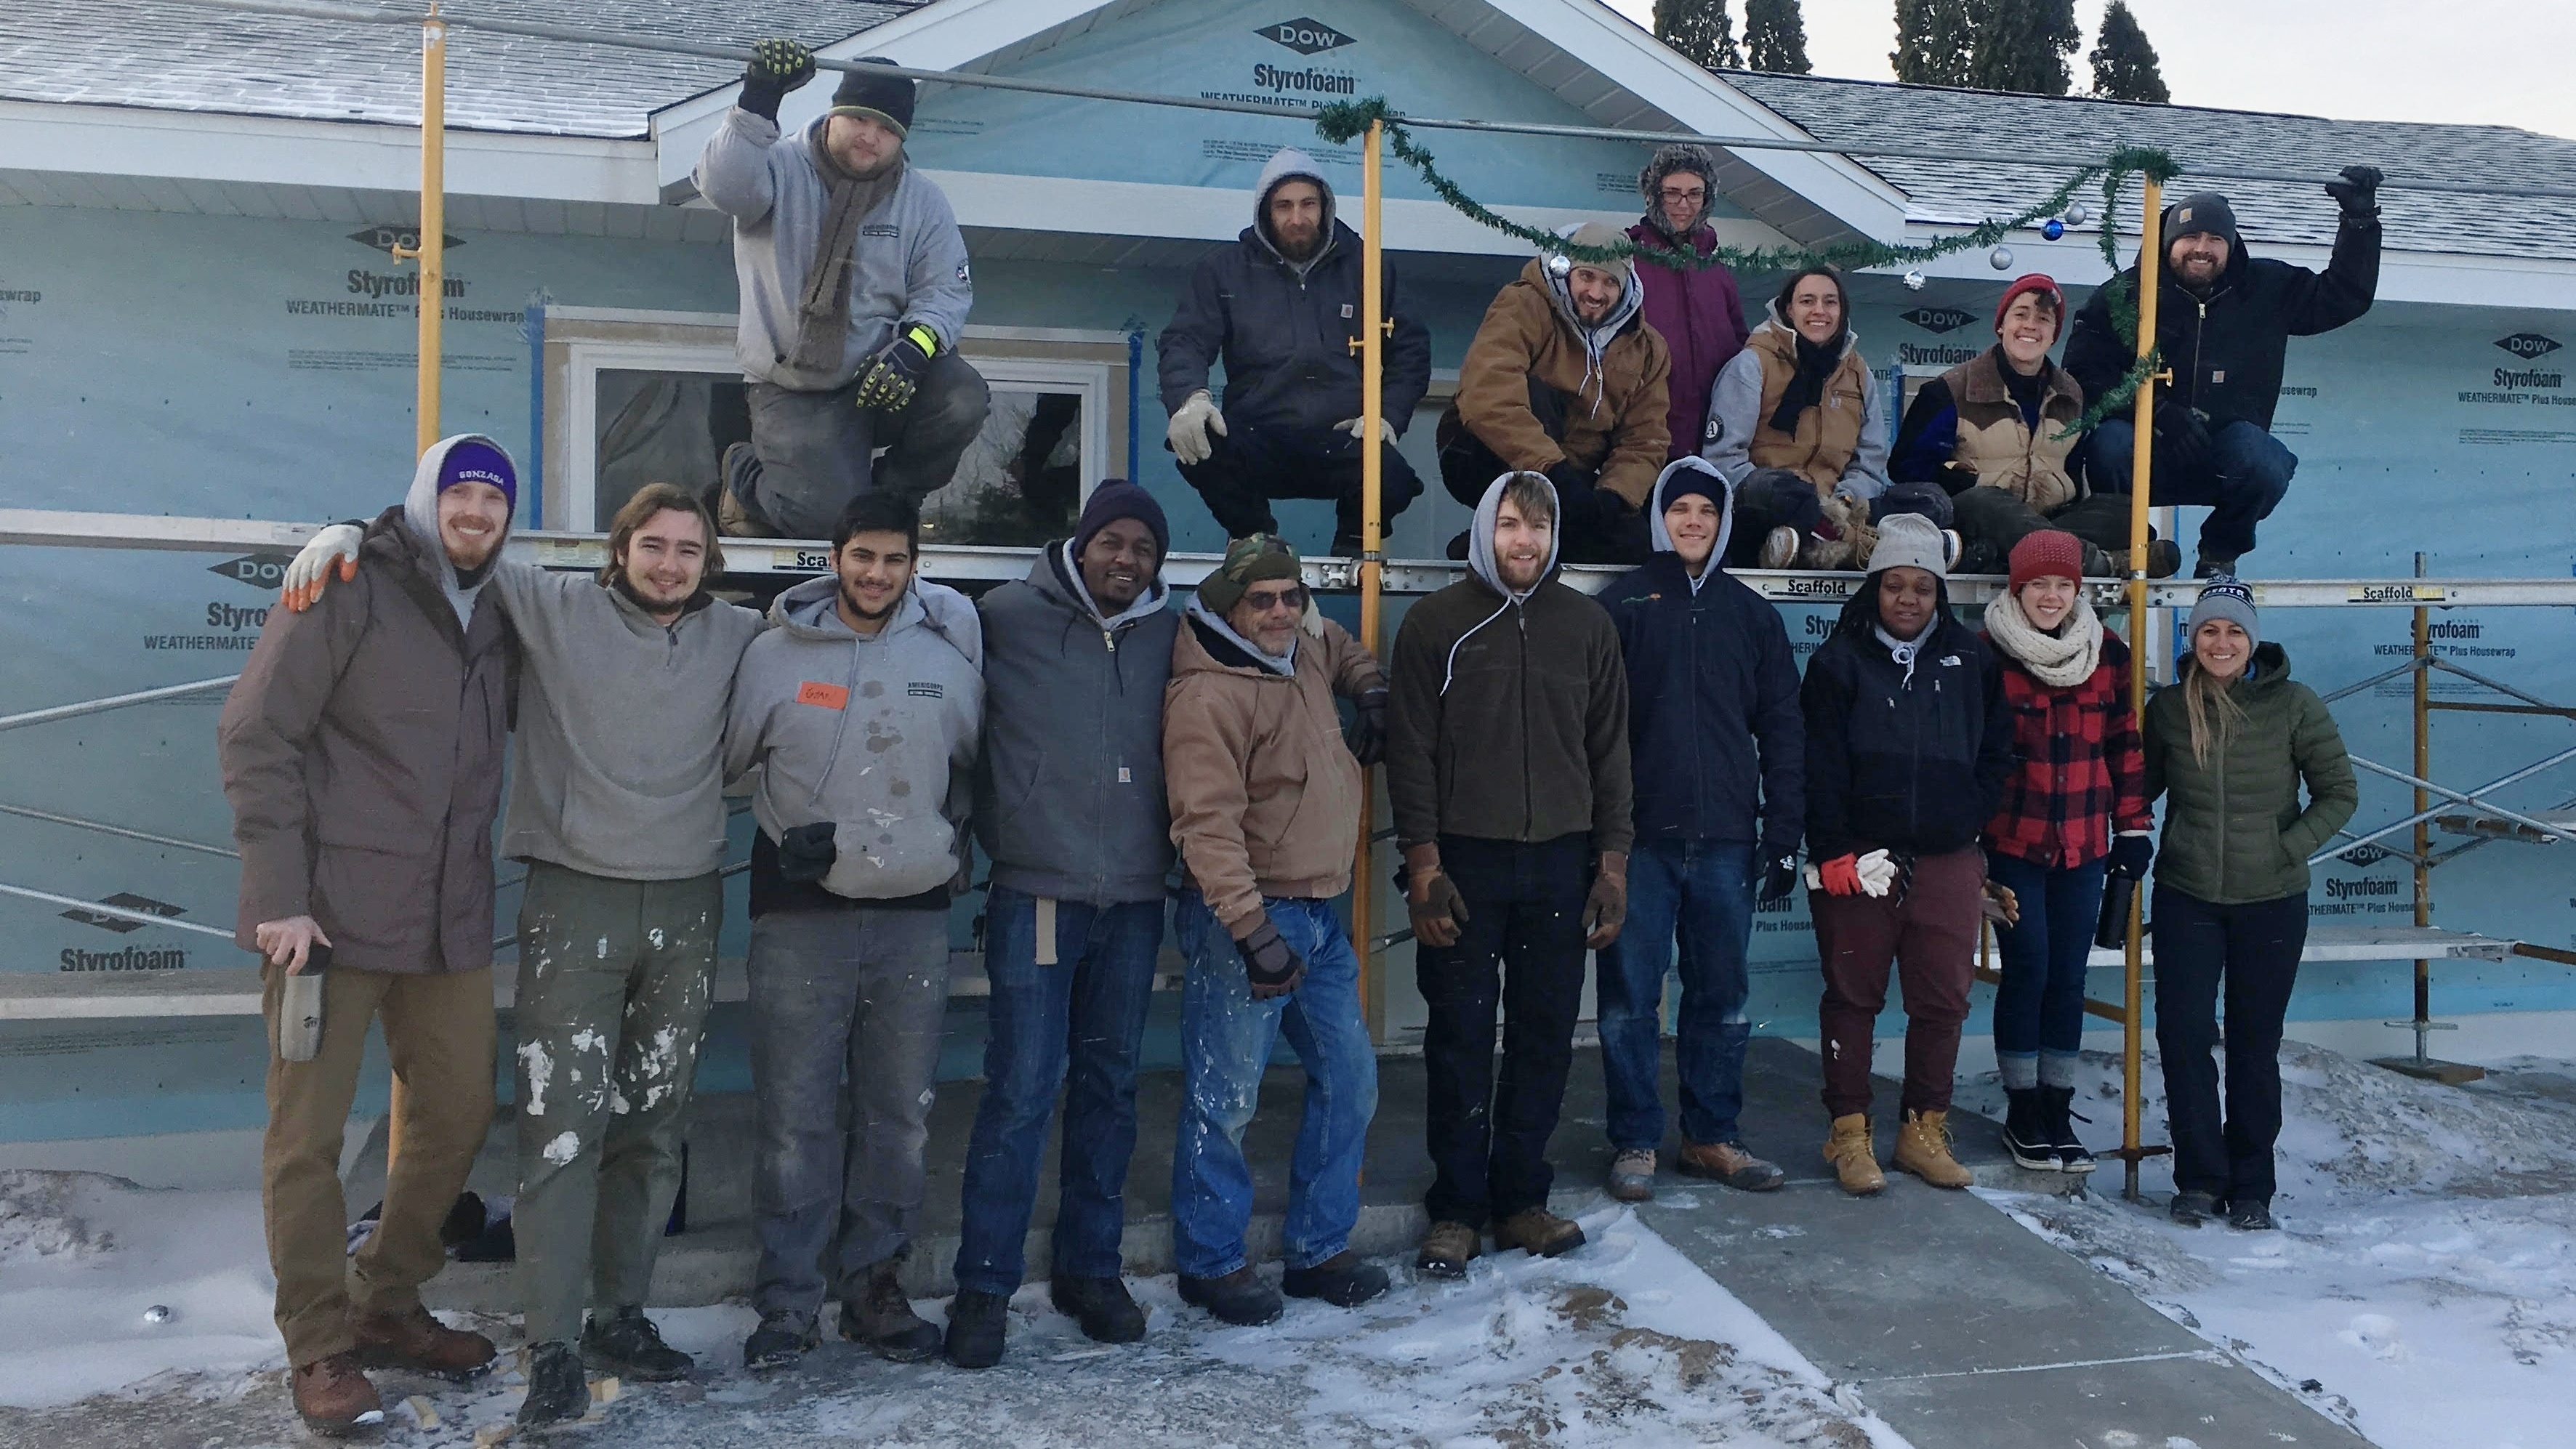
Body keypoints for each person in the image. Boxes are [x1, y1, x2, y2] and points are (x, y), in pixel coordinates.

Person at [273, 483, 765, 1428]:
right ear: (618, 549)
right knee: (563, 1132)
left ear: (709, 562)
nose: (669, 563)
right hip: (575, 902)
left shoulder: (736, 635)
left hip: (688, 905)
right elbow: (452, 538)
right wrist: (356, 533)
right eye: (652, 545)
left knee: (654, 1125)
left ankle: (621, 1313)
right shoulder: (553, 604)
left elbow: (833, 622)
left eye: (688, 550)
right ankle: (555, 1345)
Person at [217, 435, 518, 1435]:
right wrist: (279, 896)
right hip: (327, 921)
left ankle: (385, 1297)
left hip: (447, 920)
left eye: (494, 498)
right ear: (427, 499)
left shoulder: (503, 609)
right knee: (306, 1136)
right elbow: (257, 733)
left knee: (459, 1108)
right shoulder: (346, 581)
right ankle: (318, 1343)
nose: (477, 511)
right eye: (461, 493)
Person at [722, 493, 983, 1369]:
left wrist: (949, 843)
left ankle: (874, 1285)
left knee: (897, 1115)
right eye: (861, 555)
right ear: (832, 557)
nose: (876, 573)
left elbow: (972, 765)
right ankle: (789, 1302)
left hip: (913, 918)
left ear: (915, 565)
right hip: (801, 915)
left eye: (894, 559)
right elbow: (726, 763)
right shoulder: (771, 655)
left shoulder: (947, 654)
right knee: (796, 1117)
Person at [946, 483, 1180, 1368]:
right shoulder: (1004, 614)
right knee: (1020, 1090)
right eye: (1111, 542)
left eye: (1143, 548)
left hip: (1132, 895)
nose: (1125, 559)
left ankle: (1091, 1267)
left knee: (1111, 1085)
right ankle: (984, 1281)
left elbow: (1278, 640)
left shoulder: (1171, 630)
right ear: (1080, 543)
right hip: (1037, 893)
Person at [1388, 472, 1632, 1276]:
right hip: (1465, 862)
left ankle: (1522, 1196)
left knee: (1543, 1036)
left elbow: (1609, 753)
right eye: (1510, 523)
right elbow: (1411, 752)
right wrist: (1423, 865)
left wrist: (1611, 866)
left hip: (1561, 863)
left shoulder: (1587, 625)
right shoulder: (1436, 624)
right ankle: (1456, 1207)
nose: (1524, 540)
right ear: (1486, 526)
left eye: (1538, 525)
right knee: (1459, 1037)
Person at [1162, 535, 1391, 1325]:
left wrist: (1373, 692)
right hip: (1250, 921)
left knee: (1351, 1080)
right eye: (1262, 599)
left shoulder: (1303, 648)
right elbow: (1206, 827)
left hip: (1322, 914)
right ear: (1231, 605)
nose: (1282, 611)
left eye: (1291, 595)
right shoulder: (1206, 696)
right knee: (1224, 1098)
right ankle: (1210, 1260)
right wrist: (1252, 930)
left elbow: (1344, 644)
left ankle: (1318, 1246)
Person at [1593, 457, 1802, 1202]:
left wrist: (1782, 834)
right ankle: (1636, 1139)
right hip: (1639, 841)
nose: (1692, 521)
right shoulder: (1620, 605)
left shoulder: (1750, 614)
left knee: (1722, 997)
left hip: (1724, 840)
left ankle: (1711, 1135)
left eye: (1706, 511)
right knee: (1626, 999)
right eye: (1678, 508)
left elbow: (1782, 730)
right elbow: (1595, 731)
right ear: (1660, 516)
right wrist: (1603, 842)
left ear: (1722, 522)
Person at [696, 41, 989, 538]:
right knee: (825, 523)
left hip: (882, 378)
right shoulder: (780, 165)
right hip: (795, 389)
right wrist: (759, 98)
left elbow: (945, 290)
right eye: (861, 120)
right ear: (835, 114)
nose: (871, 137)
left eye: (887, 130)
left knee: (963, 397)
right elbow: (726, 186)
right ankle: (743, 470)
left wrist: (914, 350)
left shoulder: (922, 201)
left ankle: (891, 500)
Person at [1799, 513, 2010, 1196]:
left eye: (1923, 587)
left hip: (1949, 857)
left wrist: (1970, 817)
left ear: (1939, 594)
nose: (1909, 599)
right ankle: (1850, 1134)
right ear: (1875, 587)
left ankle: (1922, 1132)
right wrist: (1832, 850)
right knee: (1853, 995)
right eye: (1895, 585)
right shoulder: (1837, 662)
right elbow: (1817, 766)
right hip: (1861, 858)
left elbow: (1997, 754)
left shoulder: (1973, 659)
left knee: (1942, 1000)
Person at [2143, 578, 2356, 1230]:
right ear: (2193, 637)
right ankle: (2200, 1180)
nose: (2222, 642)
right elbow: (2139, 791)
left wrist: (2285, 850)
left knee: (2254, 1045)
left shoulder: (2293, 704)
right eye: (2209, 629)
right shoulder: (2171, 709)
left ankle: (2253, 1187)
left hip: (2271, 900)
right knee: (2182, 1038)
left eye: (2234, 631)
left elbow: (2338, 792)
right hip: (2188, 895)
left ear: (2252, 639)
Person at [2065, 171, 2383, 577]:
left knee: (2265, 460)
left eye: (2215, 239)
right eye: (2190, 238)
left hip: (2224, 455)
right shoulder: (2125, 294)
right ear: (2168, 244)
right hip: (2146, 448)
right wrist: (2155, 412)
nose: (2202, 249)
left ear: (2231, 246)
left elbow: (2344, 298)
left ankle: (2218, 554)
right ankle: (2130, 550)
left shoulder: (2266, 287)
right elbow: (2085, 372)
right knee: (2108, 442)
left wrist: (2360, 223)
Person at [1977, 530, 2152, 1175]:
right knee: (2030, 970)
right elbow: (1972, 755)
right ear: (2016, 590)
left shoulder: (2107, 652)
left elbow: (2124, 744)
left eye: (2062, 585)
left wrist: (2134, 829)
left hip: (2085, 845)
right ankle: (2023, 1110)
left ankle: (2057, 1104)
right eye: (2037, 585)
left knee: (2070, 979)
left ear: (2077, 590)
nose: (2050, 596)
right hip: (2013, 844)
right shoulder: (1986, 654)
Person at [1158, 148, 1432, 557]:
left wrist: (1387, 416)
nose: (1297, 218)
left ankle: (1353, 544)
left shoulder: (1368, 267)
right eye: (1284, 206)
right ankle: (1260, 542)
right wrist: (1190, 399)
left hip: (1339, 436)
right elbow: (1186, 340)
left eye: (1308, 204)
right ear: (1265, 211)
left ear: (1326, 207)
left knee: (1392, 476)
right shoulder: (1224, 270)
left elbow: (1410, 349)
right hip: (1258, 435)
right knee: (1199, 449)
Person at [1890, 274, 2179, 579]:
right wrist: (1959, 481)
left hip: (2050, 516)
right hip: (1977, 518)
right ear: (2001, 324)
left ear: (2054, 334)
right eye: (2020, 314)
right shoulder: (1949, 390)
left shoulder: (2073, 395)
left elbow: (2071, 470)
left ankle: (2010, 557)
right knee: (1984, 502)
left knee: (2128, 517)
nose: (2030, 325)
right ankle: (2101, 563)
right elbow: (1905, 468)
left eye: (2043, 319)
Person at [1436, 225, 1670, 565]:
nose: (1596, 292)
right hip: (1483, 451)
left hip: (1577, 476)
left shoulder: (1648, 347)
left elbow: (1646, 437)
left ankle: (1488, 545)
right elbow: (1489, 394)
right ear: (1566, 272)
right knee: (1536, 393)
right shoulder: (1523, 304)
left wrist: (1614, 496)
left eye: (1610, 282)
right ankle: (1494, 540)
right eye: (1587, 276)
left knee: (1636, 543)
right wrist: (1553, 473)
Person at [1705, 266, 1950, 572]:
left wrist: (1846, 500)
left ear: (1842, 310)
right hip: (1770, 502)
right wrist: (1808, 503)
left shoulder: (1858, 373)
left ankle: (1812, 541)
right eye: (1807, 301)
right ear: (1788, 308)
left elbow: (1870, 462)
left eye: (1830, 302)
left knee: (1929, 499)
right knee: (1781, 491)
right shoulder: (1752, 364)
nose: (1819, 311)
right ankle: (1874, 545)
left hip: (1843, 504)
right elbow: (1724, 461)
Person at [1627, 145, 1750, 462]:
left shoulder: (1718, 273)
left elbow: (1741, 351)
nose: (1684, 205)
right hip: (1641, 444)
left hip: (1713, 444)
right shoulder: (1627, 264)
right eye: (1672, 193)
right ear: (1653, 195)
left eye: (1695, 194)